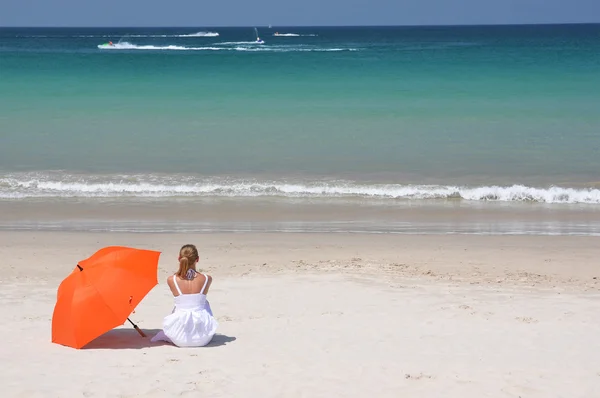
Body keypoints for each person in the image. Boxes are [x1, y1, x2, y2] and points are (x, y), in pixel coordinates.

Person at [151, 244, 218, 347]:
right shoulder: (207, 279)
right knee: (204, 303)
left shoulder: (171, 280)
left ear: (179, 259)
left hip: (179, 338)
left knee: (181, 305)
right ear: (197, 259)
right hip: (203, 338)